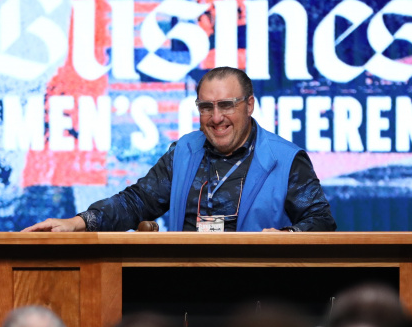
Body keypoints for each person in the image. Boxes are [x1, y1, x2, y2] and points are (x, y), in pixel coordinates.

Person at [24, 67, 336, 233]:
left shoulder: (286, 159)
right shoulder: (185, 150)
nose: (216, 118)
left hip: (256, 298)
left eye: (226, 105)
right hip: (183, 291)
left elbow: (321, 220)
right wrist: (79, 222)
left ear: (250, 105)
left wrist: (287, 237)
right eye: (206, 107)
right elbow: (136, 202)